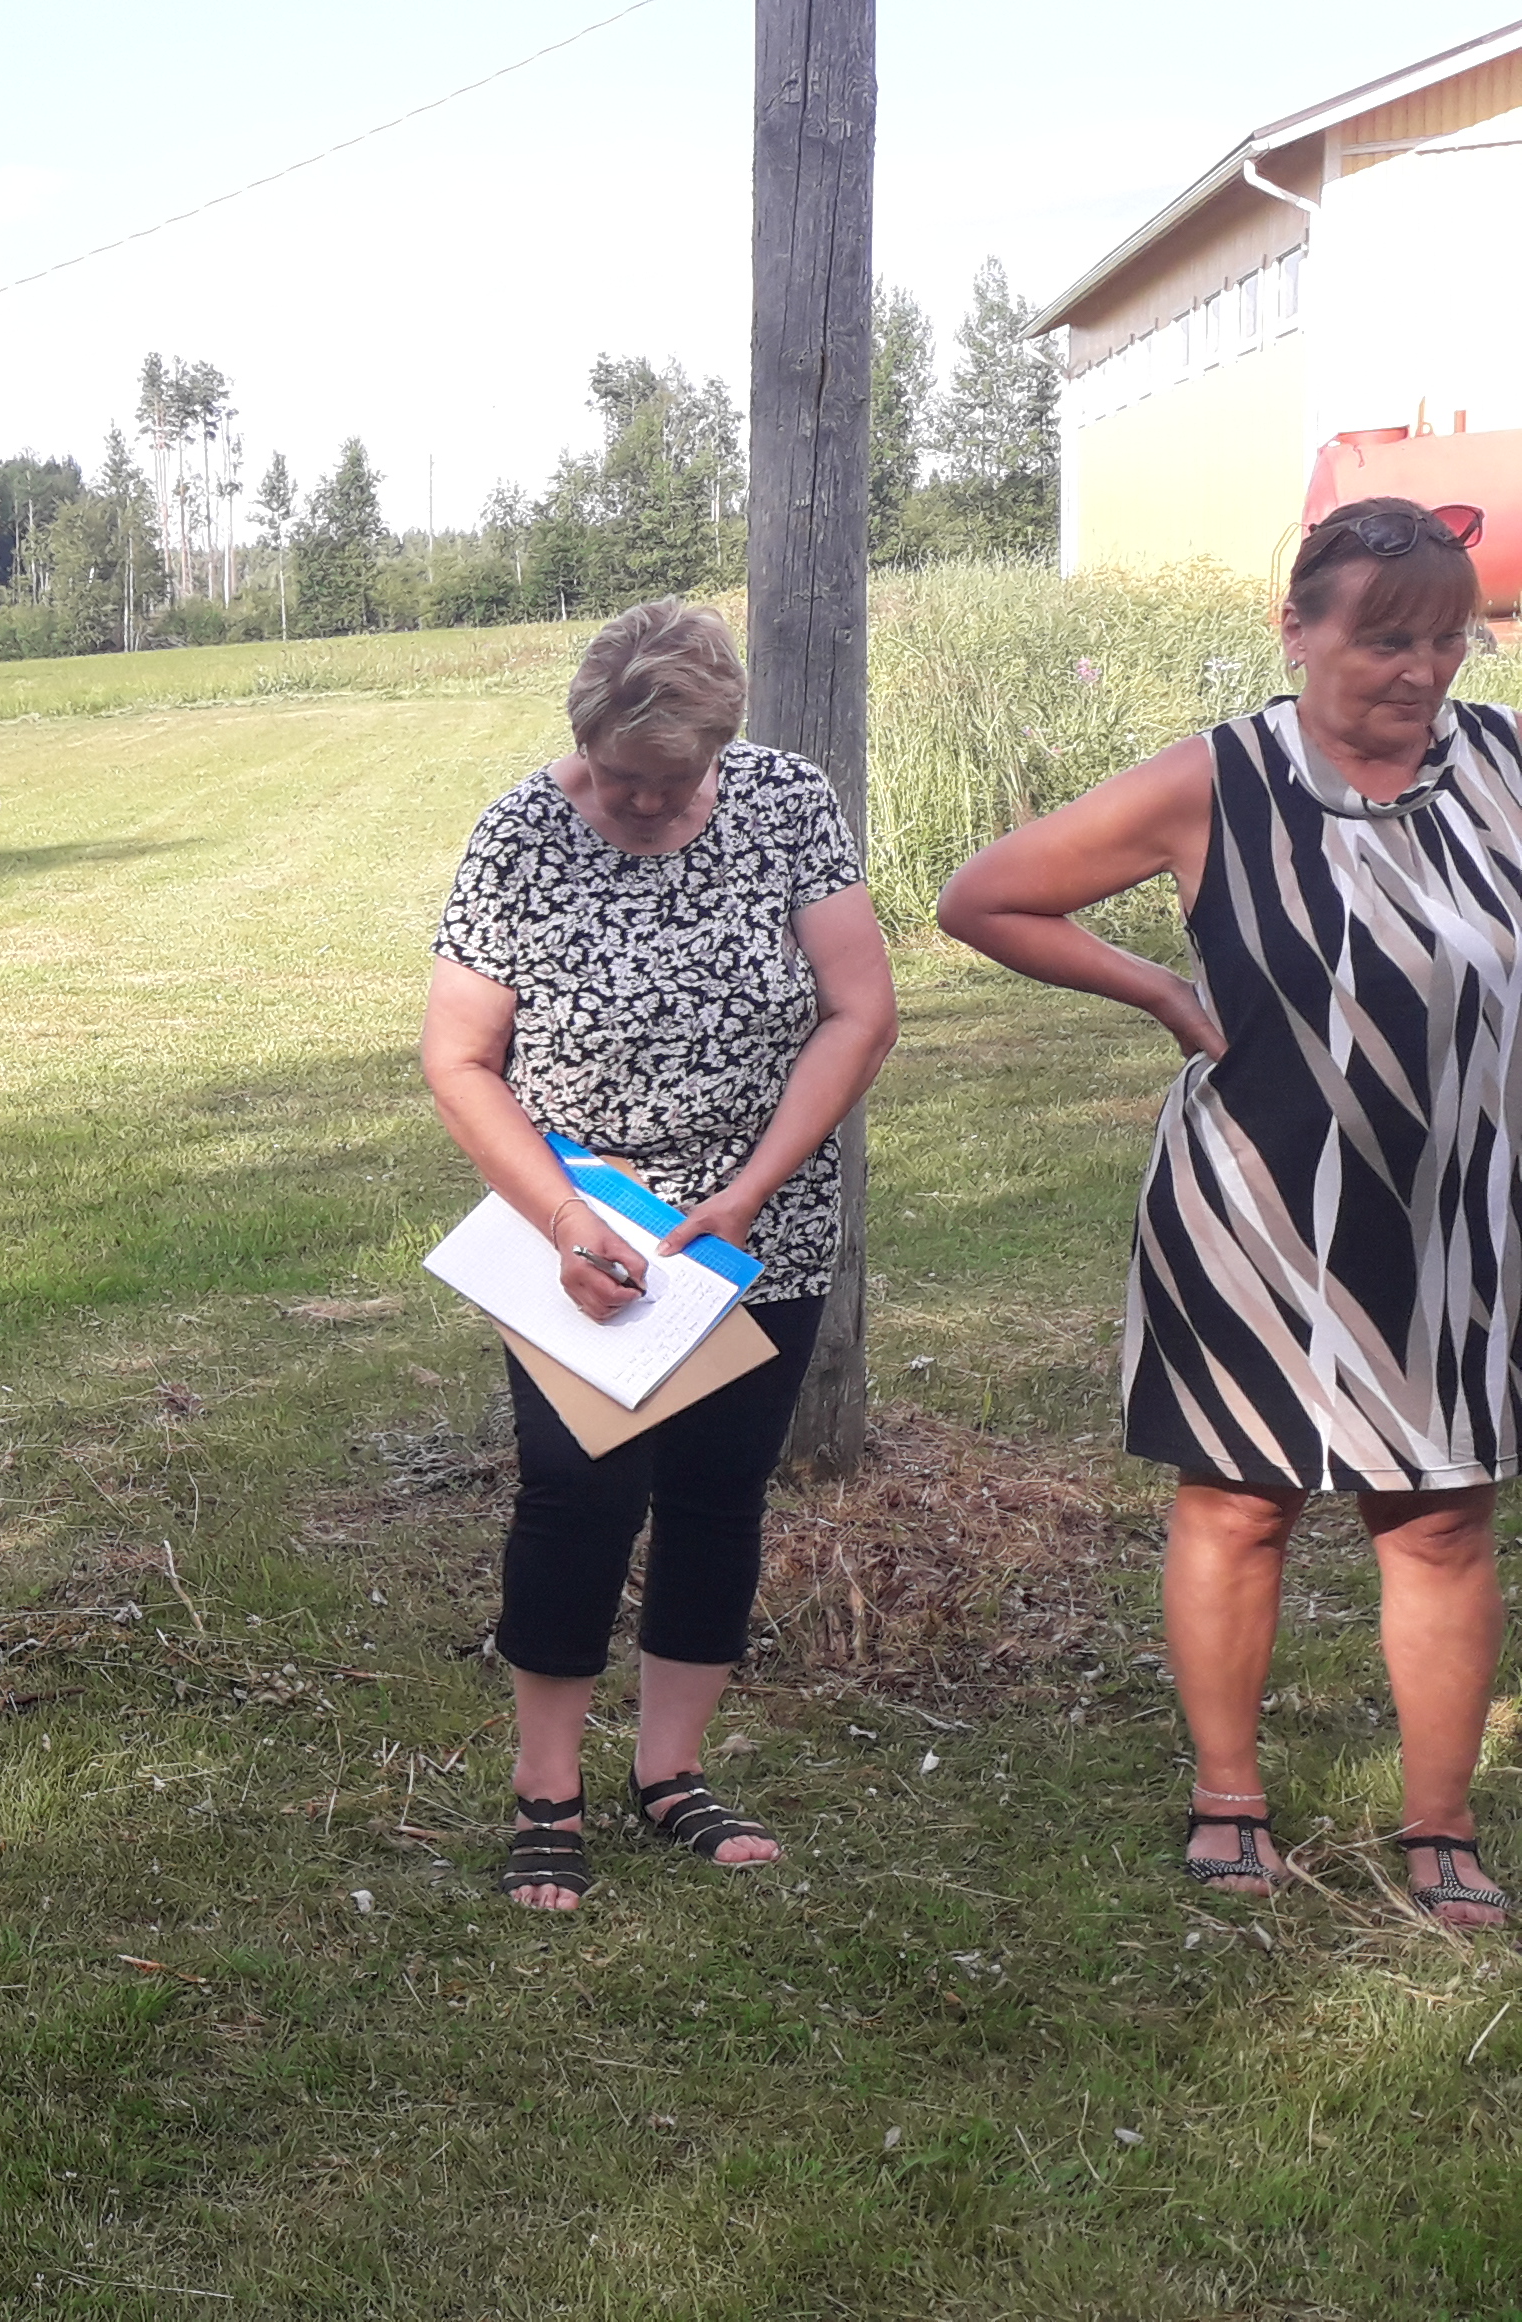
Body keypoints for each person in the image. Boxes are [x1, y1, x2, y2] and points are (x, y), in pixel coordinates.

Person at [936, 498, 1518, 1929]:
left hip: (1460, 1212)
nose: (1422, 669)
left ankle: (1439, 1823)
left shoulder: (1505, 766)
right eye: (1385, 639)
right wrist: (1156, 989)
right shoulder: (1218, 778)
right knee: (1241, 1499)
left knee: (1442, 1516)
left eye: (1448, 639)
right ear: (1299, 630)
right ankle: (1229, 1795)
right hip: (1255, 1209)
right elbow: (987, 897)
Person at [421, 599, 896, 1911]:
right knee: (575, 1495)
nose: (637, 802)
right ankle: (547, 1790)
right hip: (574, 1239)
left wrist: (748, 1194)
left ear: (723, 751)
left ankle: (672, 1773)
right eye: (617, 777)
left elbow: (861, 1008)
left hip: (759, 1238)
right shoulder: (522, 835)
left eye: (668, 782)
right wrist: (568, 1221)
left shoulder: (789, 806)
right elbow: (459, 1060)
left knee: (716, 1496)